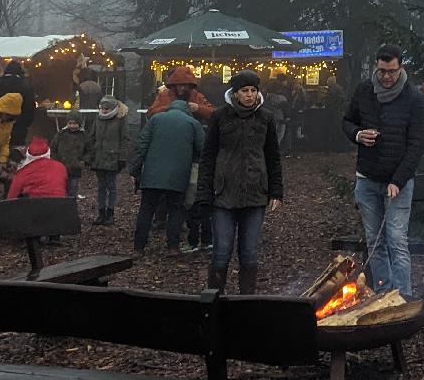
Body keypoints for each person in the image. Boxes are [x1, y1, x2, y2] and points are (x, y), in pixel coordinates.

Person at [342, 46, 424, 298]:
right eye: (381, 71)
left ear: (401, 68)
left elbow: (417, 144)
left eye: (391, 71)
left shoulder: (413, 98)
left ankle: (402, 296)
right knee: (374, 241)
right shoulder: (364, 91)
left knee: (397, 241)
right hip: (366, 177)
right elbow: (347, 121)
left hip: (397, 182)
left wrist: (398, 180)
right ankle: (382, 293)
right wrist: (358, 135)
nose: (386, 77)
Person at [199, 71, 284, 293]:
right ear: (235, 94)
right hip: (223, 192)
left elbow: (273, 156)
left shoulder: (266, 118)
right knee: (222, 251)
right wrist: (204, 193)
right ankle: (214, 300)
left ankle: (247, 302)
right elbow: (208, 156)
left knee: (249, 253)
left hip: (255, 192)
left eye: (253, 90)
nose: (249, 95)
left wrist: (276, 191)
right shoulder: (220, 117)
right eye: (244, 91)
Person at [129, 85, 205, 255]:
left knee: (146, 209)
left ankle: (139, 247)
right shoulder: (193, 123)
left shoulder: (155, 120)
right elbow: (203, 150)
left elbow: (141, 145)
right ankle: (172, 246)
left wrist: (134, 170)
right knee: (176, 210)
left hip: (152, 174)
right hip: (179, 175)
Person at [85, 95, 132, 225]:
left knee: (111, 186)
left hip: (113, 157)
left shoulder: (121, 119)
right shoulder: (98, 118)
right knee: (101, 187)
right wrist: (90, 155)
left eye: (107, 108)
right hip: (99, 157)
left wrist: (122, 157)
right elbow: (92, 137)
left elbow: (125, 139)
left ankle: (110, 213)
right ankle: (101, 212)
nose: (104, 111)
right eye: (103, 108)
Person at [7, 135, 69, 199]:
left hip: (36, 205)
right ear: (48, 152)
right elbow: (65, 186)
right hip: (60, 203)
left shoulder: (22, 172)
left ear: (28, 154)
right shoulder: (60, 167)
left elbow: (11, 197)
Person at [0, 60, 38, 144]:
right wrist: (25, 125)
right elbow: (30, 110)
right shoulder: (26, 88)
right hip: (19, 128)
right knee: (16, 153)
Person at [51, 116, 87, 200]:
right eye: (70, 123)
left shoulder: (83, 136)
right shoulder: (60, 134)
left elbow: (89, 150)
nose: (72, 126)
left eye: (74, 123)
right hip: (61, 167)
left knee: (72, 190)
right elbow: (53, 148)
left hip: (76, 168)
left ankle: (71, 207)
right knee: (61, 190)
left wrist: (84, 161)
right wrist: (56, 161)